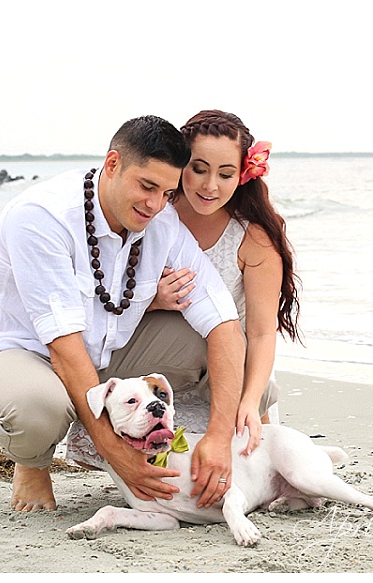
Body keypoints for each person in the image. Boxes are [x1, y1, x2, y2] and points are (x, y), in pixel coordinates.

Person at [0, 115, 265, 513]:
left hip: (109, 355)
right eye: (147, 186)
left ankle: (213, 456)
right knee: (38, 409)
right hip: (24, 356)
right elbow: (64, 349)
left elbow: (223, 322)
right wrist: (118, 456)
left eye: (167, 193)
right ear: (113, 164)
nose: (154, 205)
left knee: (235, 366)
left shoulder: (162, 219)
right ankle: (32, 463)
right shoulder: (40, 217)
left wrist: (221, 436)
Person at [148, 109, 302, 453]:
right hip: (159, 369)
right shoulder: (153, 214)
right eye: (199, 169)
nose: (210, 185)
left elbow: (262, 333)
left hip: (227, 374)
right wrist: (153, 299)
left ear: (243, 175)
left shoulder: (253, 238)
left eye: (226, 173)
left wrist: (248, 401)